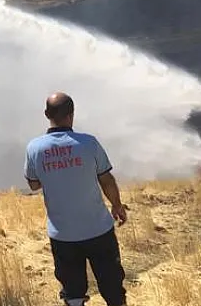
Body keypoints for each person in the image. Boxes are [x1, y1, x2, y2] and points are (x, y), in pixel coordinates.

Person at [24, 92, 129, 306]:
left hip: (63, 235)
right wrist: (117, 206)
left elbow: (34, 184)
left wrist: (54, 173)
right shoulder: (89, 143)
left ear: (47, 114)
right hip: (99, 231)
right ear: (72, 114)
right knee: (112, 287)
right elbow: (106, 180)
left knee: (73, 293)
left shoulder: (35, 148)